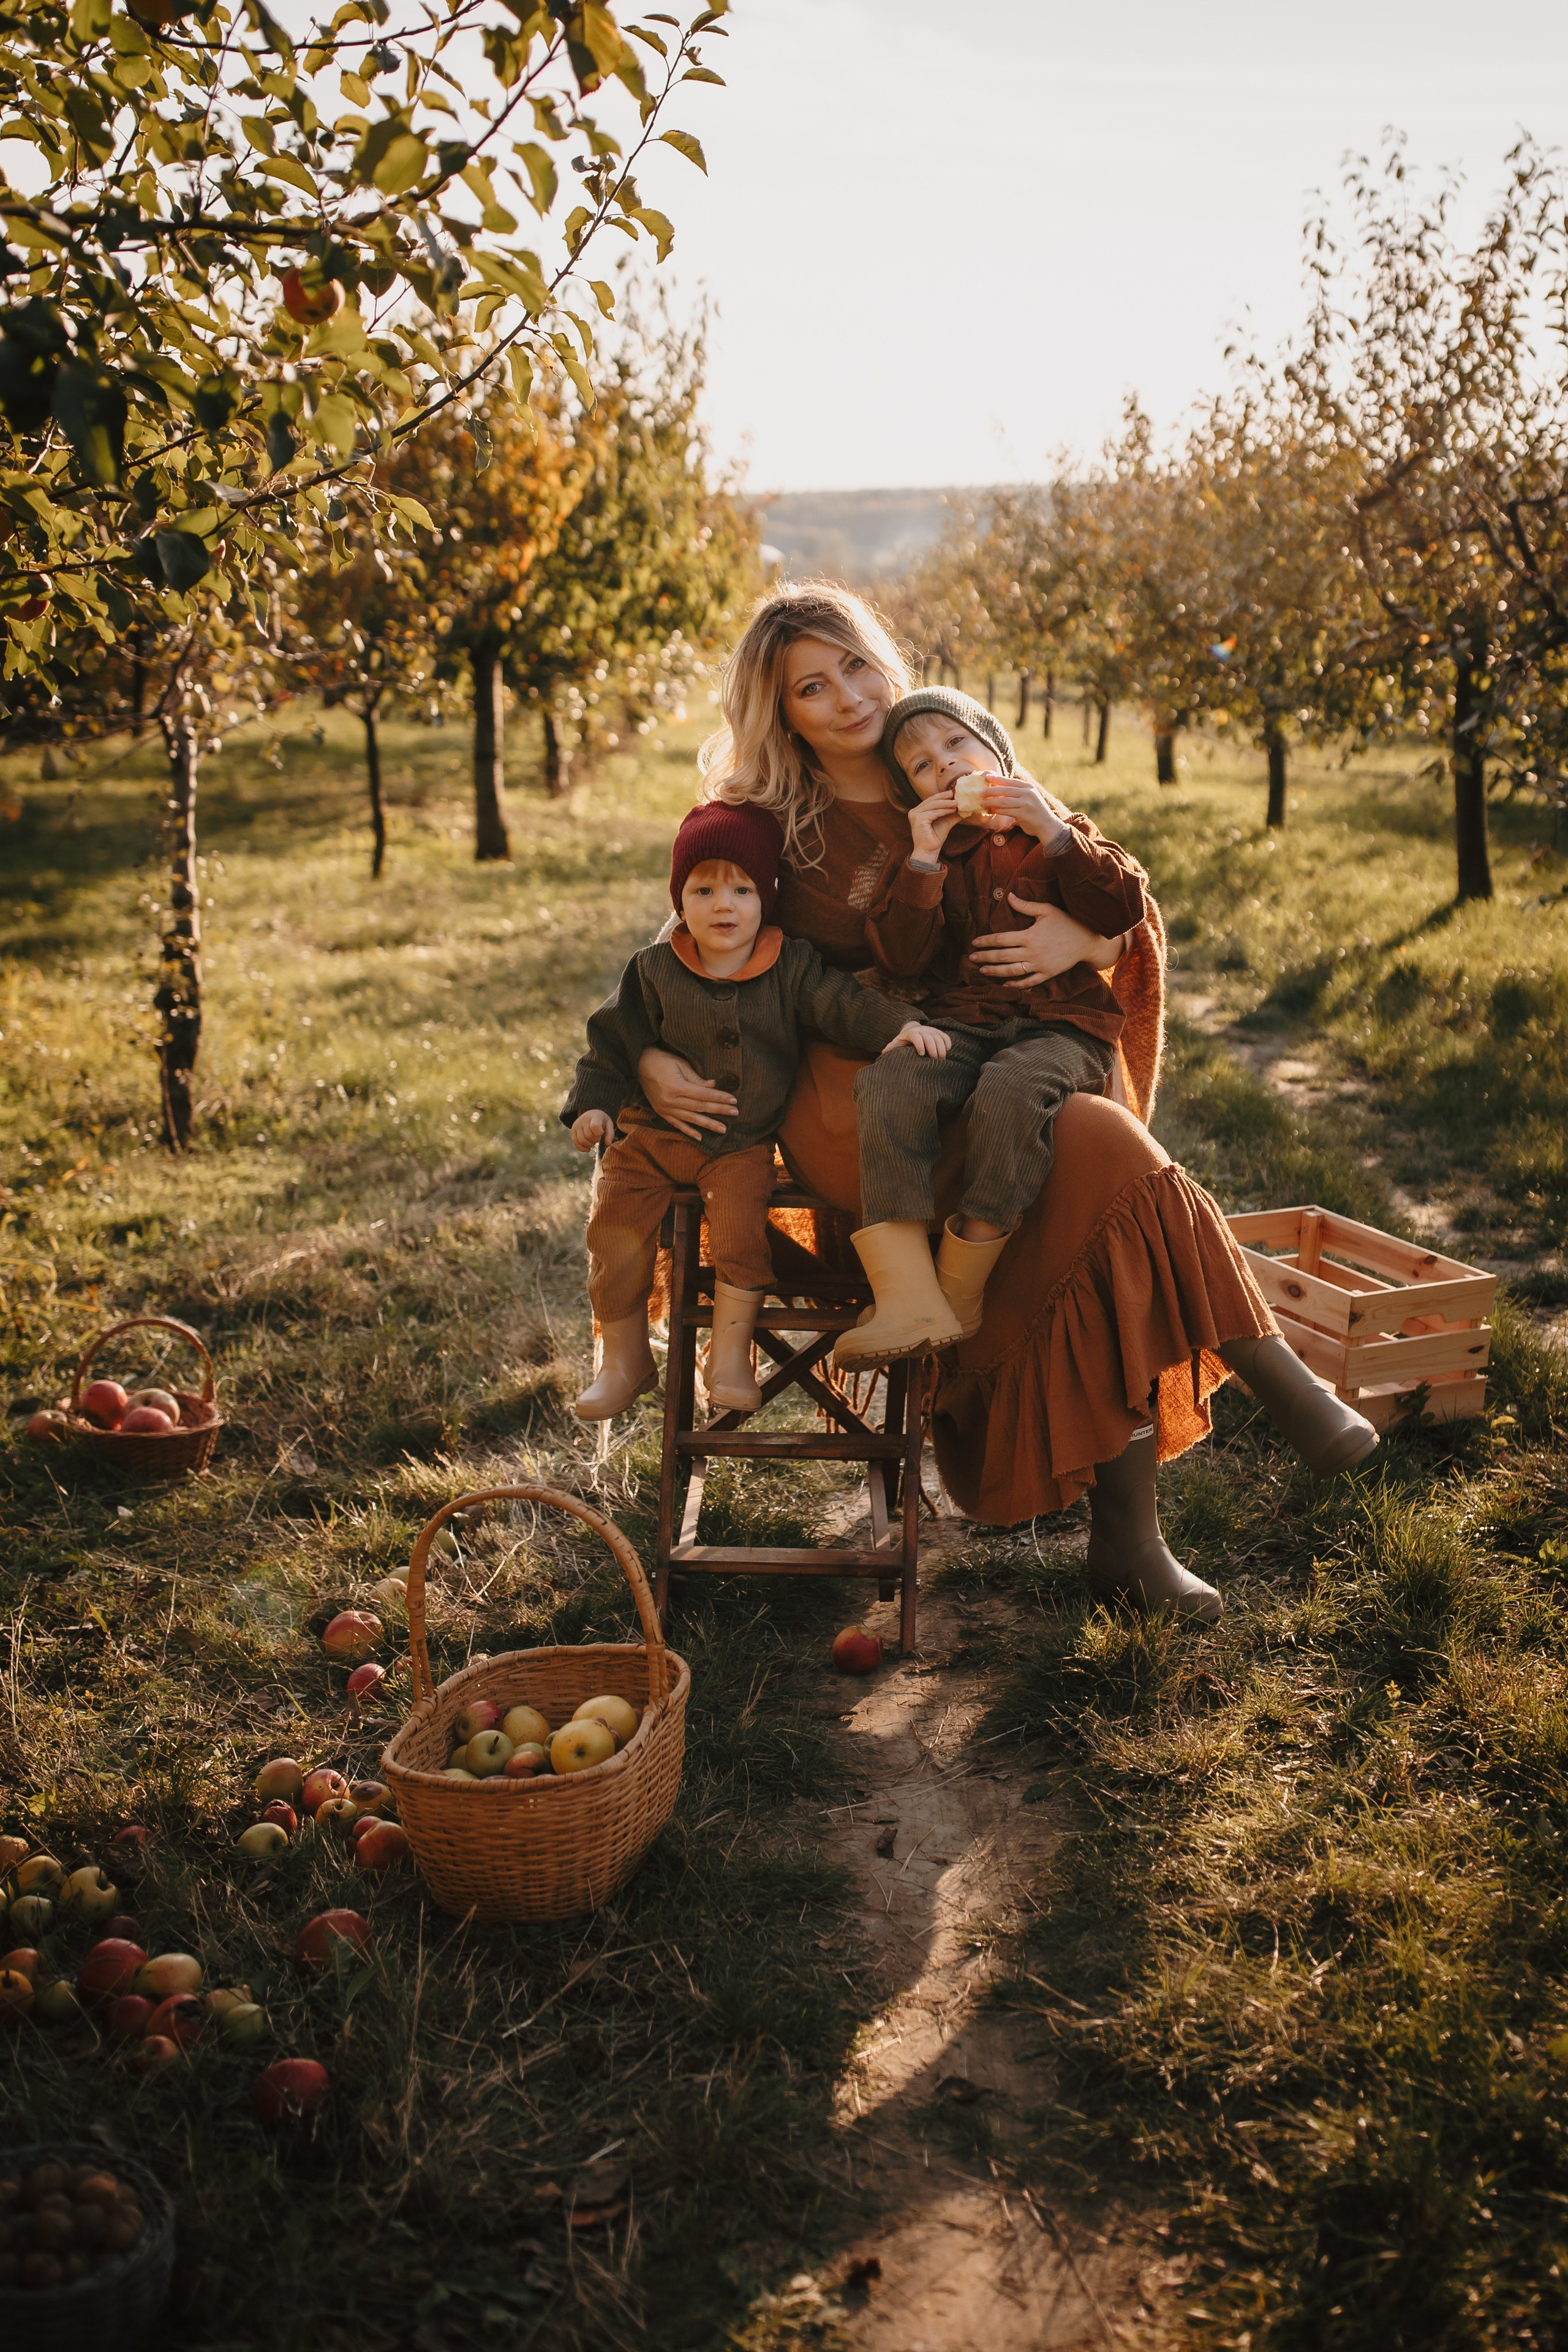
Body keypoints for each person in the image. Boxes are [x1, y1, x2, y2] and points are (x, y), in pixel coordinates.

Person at [632, 584, 1379, 1624]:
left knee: (1103, 1154)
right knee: (1087, 1164)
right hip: (868, 1097)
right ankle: (1235, 1412)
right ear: (780, 711)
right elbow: (703, 954)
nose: (846, 696)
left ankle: (1134, 1535)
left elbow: (1099, 885)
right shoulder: (765, 826)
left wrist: (1093, 943)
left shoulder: (953, 757)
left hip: (997, 1061)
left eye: (855, 664)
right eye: (811, 685)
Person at [561, 799, 947, 1420]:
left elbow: (841, 1003)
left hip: (738, 1146)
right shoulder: (654, 969)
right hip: (648, 1140)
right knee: (614, 1237)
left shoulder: (788, 965)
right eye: (703, 888)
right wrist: (594, 1109)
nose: (723, 904)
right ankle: (625, 1359)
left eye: (741, 889)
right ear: (678, 901)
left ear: (766, 899)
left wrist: (898, 1027)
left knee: (742, 1239)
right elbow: (610, 1043)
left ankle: (732, 1355)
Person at [837, 685, 1149, 1366]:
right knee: (890, 1082)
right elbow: (901, 956)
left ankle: (959, 1290)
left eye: (956, 744)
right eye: (921, 765)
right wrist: (921, 859)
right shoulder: (929, 858)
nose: (943, 765)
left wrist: (1054, 832)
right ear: (911, 795)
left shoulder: (1059, 833)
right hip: (965, 1023)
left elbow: (1124, 905)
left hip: (1061, 1028)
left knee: (1011, 1090)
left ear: (998, 753)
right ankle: (905, 1294)